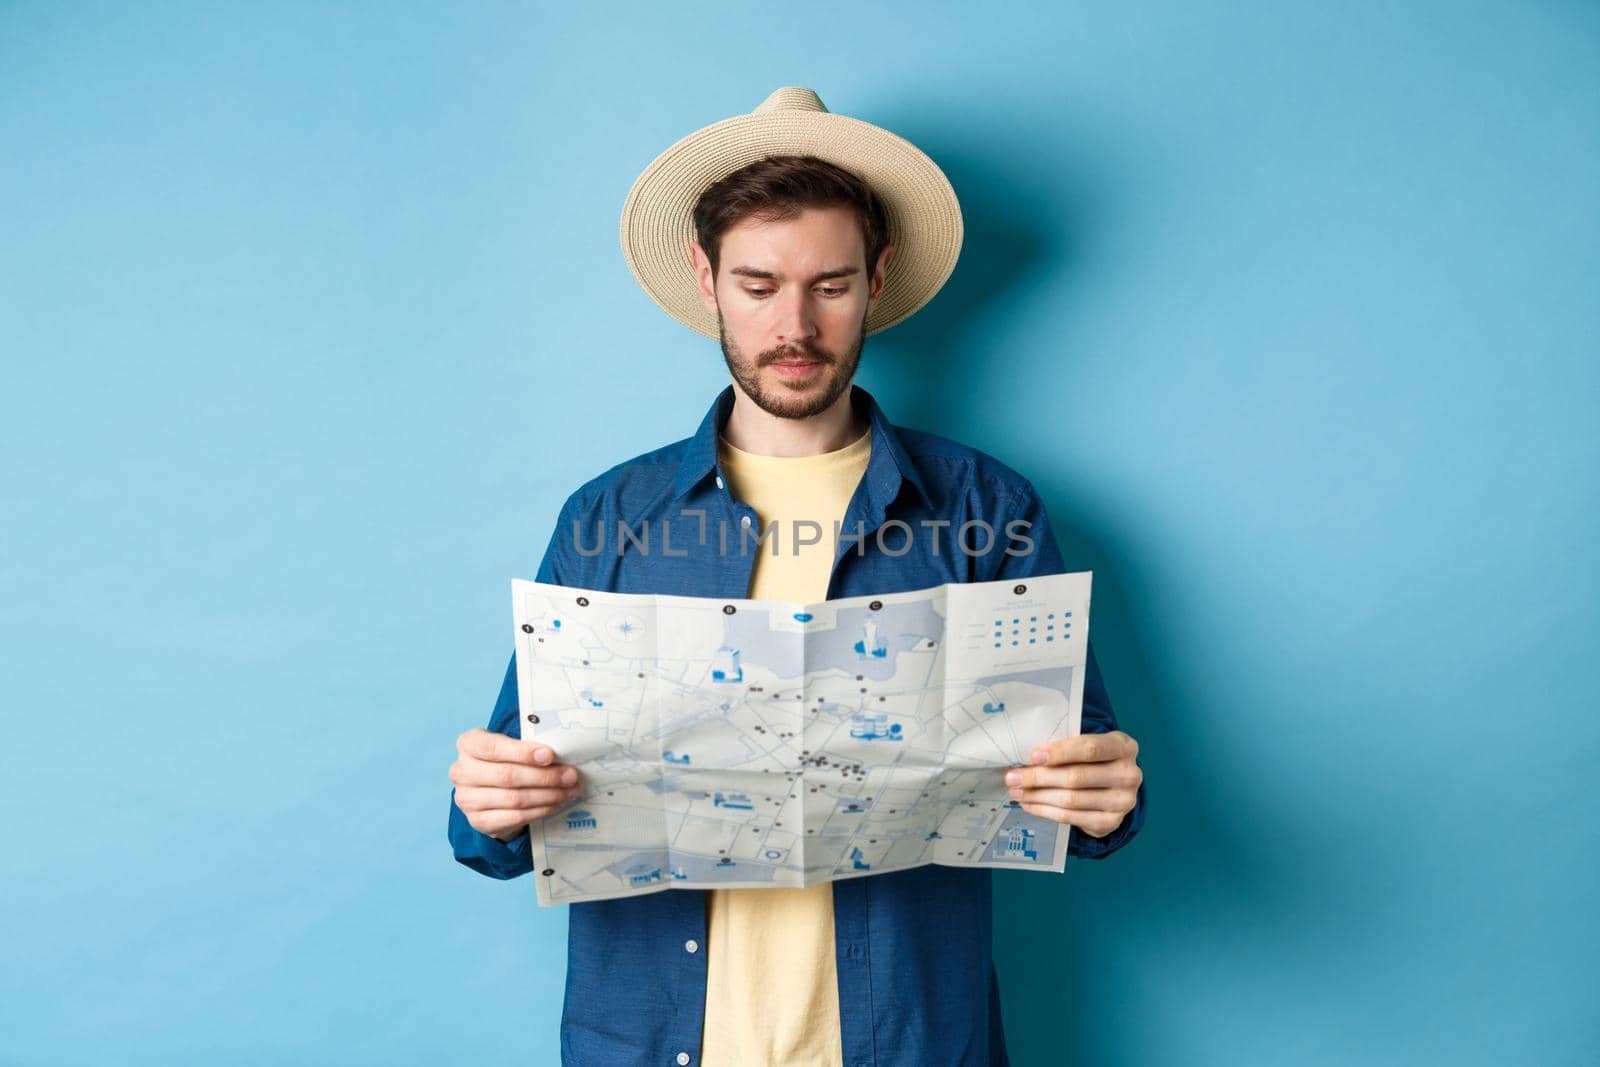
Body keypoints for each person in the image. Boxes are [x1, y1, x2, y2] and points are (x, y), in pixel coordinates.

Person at [447, 86, 1146, 1067]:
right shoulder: (608, 518)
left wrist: (1104, 791)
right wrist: (488, 798)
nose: (795, 325)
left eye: (829, 284)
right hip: (652, 1039)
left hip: (907, 1039)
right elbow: (489, 830)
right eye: (758, 283)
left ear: (876, 278)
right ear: (706, 278)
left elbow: (1092, 799)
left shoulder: (988, 508)